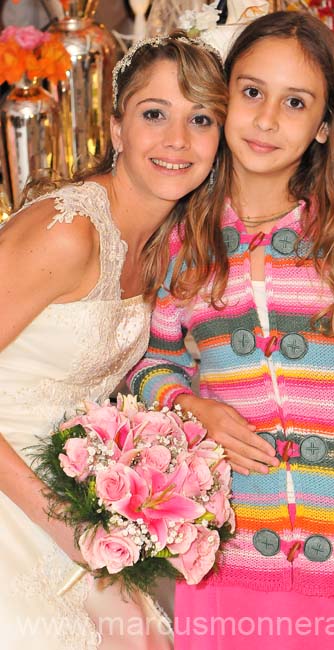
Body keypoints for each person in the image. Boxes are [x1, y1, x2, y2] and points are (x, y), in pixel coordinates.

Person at [127, 11, 334, 650]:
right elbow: (152, 365)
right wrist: (193, 407)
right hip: (224, 568)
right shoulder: (186, 240)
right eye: (252, 92)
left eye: (295, 102)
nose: (267, 119)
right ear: (226, 96)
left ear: (323, 125)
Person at [0, 32, 229, 649]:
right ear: (117, 126)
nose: (177, 140)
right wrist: (59, 521)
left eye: (200, 118)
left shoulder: (165, 245)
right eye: (155, 114)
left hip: (73, 497)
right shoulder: (69, 233)